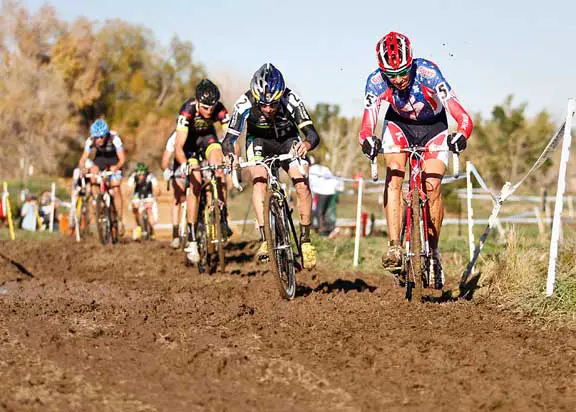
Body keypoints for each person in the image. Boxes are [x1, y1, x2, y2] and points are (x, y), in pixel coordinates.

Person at [359, 31, 473, 288]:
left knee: (432, 189)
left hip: (434, 127)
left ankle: (433, 254)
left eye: (403, 72)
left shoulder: (429, 73)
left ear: (411, 62)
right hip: (398, 126)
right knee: (395, 173)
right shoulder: (376, 82)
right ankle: (395, 247)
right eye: (392, 74)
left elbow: (462, 115)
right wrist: (368, 140)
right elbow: (367, 125)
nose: (398, 79)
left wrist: (461, 135)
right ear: (382, 71)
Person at [222, 63, 321, 269]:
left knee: (301, 183)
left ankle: (305, 240)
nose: (268, 109)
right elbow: (228, 139)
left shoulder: (290, 98)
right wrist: (230, 154)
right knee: (259, 181)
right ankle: (266, 237)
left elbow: (312, 133)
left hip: (288, 140)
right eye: (263, 104)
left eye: (273, 104)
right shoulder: (245, 103)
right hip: (258, 142)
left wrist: (306, 144)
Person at [174, 79, 231, 263]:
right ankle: (191, 238)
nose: (209, 112)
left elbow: (230, 137)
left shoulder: (220, 109)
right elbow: (178, 147)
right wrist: (185, 164)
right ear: (197, 102)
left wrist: (231, 156)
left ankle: (222, 217)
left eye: (212, 107)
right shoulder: (187, 110)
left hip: (208, 140)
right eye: (205, 107)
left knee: (219, 165)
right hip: (190, 146)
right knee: (195, 182)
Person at [78, 119, 126, 236]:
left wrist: (116, 167)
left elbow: (122, 159)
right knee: (93, 172)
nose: (98, 140)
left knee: (115, 187)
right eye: (96, 137)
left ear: (106, 135)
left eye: (101, 137)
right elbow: (83, 159)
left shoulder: (114, 139)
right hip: (100, 160)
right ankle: (98, 200)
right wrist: (83, 168)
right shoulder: (90, 140)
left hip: (114, 160)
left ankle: (119, 220)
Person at [161, 129, 186, 248]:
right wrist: (166, 169)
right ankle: (175, 234)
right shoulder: (174, 137)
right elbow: (165, 159)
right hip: (180, 168)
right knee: (177, 197)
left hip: (197, 165)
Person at [308, 155, 342, 236]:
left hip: (322, 191)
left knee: (319, 211)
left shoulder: (311, 170)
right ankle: (331, 228)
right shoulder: (322, 167)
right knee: (328, 211)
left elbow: (310, 184)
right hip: (333, 189)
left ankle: (322, 229)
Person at [127, 162, 160, 240]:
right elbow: (129, 188)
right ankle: (138, 226)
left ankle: (151, 230)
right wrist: (129, 195)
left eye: (142, 173)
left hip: (149, 196)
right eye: (139, 173)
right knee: (135, 207)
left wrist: (157, 191)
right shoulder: (133, 176)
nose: (141, 175)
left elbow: (156, 188)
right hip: (138, 195)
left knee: (149, 211)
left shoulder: (151, 177)